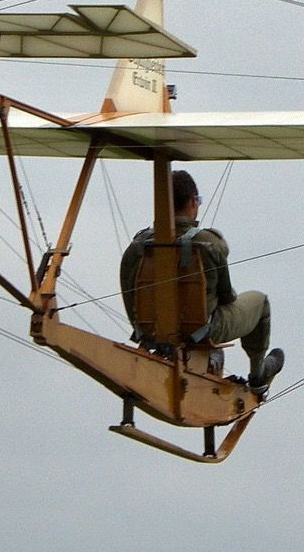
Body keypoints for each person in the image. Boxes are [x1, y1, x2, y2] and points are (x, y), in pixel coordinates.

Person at [120, 168, 284, 392]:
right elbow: (227, 296)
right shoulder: (208, 241)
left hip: (150, 331)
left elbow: (129, 292)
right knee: (260, 302)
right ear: (192, 202)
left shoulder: (138, 245)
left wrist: (146, 329)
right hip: (201, 330)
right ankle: (257, 377)